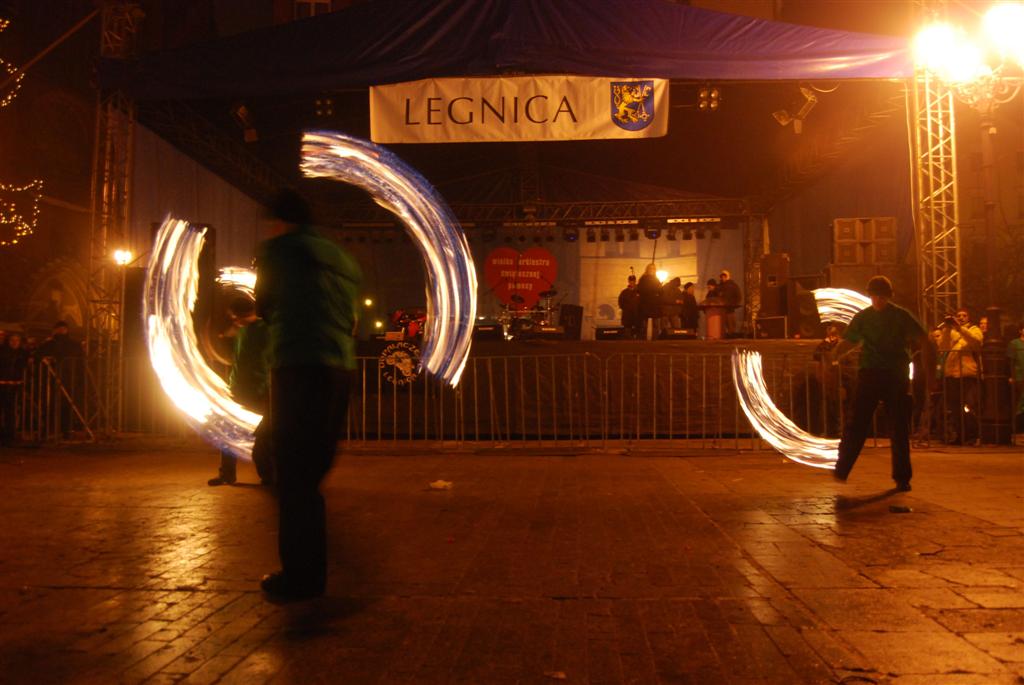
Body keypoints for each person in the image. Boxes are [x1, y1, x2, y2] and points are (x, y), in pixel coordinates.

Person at [255, 189, 362, 601]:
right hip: (339, 369)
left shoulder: (281, 250)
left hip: (298, 364)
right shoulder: (343, 259)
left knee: (292, 478)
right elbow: (350, 315)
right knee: (310, 476)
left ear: (280, 222)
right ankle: (309, 574)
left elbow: (265, 304)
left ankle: (300, 578)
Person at [833, 276, 928, 491]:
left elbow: (923, 338)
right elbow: (849, 341)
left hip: (893, 374)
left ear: (888, 297)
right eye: (875, 296)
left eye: (881, 297)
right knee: (858, 423)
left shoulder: (899, 316)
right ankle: (843, 468)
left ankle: (902, 478)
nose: (878, 300)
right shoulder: (865, 317)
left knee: (897, 428)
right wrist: (835, 355)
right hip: (874, 373)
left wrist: (929, 372)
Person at [208, 297, 275, 487]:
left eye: (233, 316)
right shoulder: (240, 330)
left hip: (259, 390)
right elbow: (235, 357)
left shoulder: (265, 330)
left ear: (240, 315)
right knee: (228, 433)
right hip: (238, 389)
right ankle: (227, 474)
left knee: (263, 437)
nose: (232, 320)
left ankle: (268, 476)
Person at [931, 308, 983, 444]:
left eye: (964, 315)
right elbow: (942, 346)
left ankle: (972, 434)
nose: (961, 317)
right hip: (951, 374)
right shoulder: (951, 331)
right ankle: (960, 436)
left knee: (968, 406)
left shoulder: (973, 329)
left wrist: (960, 328)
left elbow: (976, 342)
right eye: (958, 316)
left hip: (967, 374)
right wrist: (948, 328)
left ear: (969, 317)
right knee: (954, 407)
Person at [36, 321, 83, 439]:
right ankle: (48, 428)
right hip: (50, 379)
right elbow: (38, 355)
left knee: (66, 405)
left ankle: (65, 429)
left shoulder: (73, 345)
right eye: (59, 329)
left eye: (63, 328)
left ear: (67, 330)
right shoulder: (48, 344)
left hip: (68, 378)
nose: (61, 331)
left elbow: (80, 360)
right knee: (49, 404)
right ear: (55, 330)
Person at [0, 332, 28, 446]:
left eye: (17, 340)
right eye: (12, 340)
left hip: (14, 384)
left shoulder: (22, 353)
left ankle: (9, 435)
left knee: (10, 411)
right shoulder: (2, 351)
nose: (15, 342)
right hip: (2, 383)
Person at [636, 264, 662, 341]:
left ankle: (655, 339)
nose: (652, 270)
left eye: (654, 269)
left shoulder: (656, 279)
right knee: (644, 323)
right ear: (647, 269)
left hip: (654, 304)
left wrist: (659, 288)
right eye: (651, 268)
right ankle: (643, 339)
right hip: (645, 304)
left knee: (655, 323)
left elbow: (660, 291)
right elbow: (641, 290)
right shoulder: (643, 279)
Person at [1009, 322, 1024, 431]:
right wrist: (1011, 376)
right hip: (1019, 376)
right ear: (1020, 330)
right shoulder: (1014, 343)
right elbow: (1011, 361)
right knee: (1020, 400)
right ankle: (1018, 425)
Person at [717, 269, 742, 335]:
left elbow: (738, 296)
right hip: (722, 309)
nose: (722, 278)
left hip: (730, 309)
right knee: (724, 326)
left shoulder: (733, 285)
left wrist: (734, 304)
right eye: (721, 276)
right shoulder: (719, 286)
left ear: (727, 276)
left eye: (724, 276)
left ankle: (731, 338)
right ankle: (725, 338)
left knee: (731, 325)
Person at [617, 274, 641, 340]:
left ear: (635, 281)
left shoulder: (639, 291)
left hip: (637, 314)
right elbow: (620, 302)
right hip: (627, 314)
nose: (632, 282)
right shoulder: (624, 292)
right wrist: (625, 308)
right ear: (628, 281)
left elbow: (642, 302)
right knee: (627, 329)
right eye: (631, 281)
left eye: (633, 281)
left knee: (638, 329)